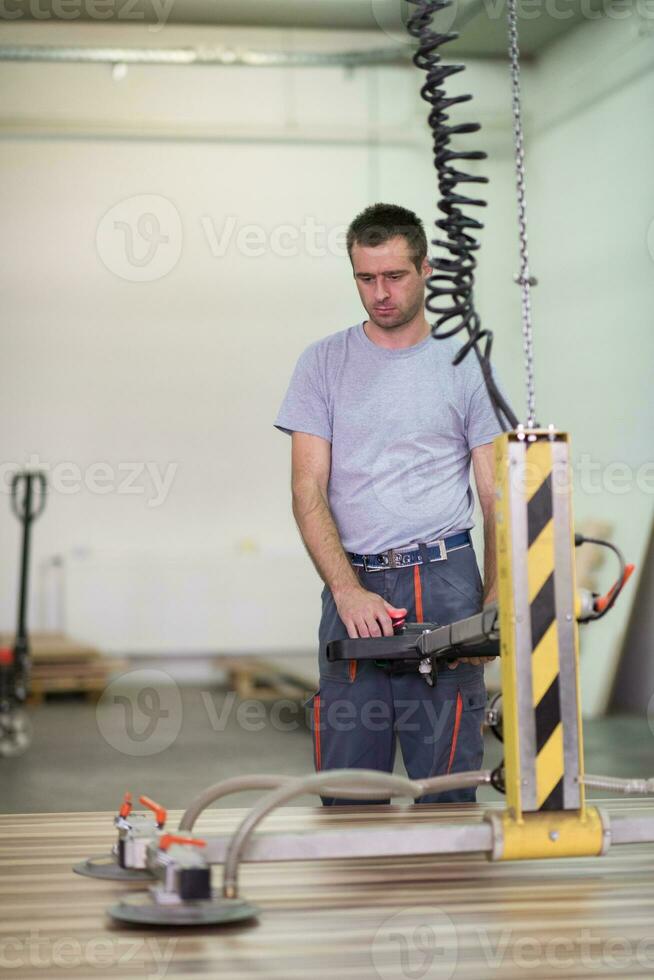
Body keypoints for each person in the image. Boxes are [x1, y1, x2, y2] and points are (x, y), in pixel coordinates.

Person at [275, 202, 502, 805]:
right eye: (365, 278)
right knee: (348, 788)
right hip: (356, 583)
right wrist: (347, 591)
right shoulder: (322, 363)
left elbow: (495, 495)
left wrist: (498, 599)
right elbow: (307, 490)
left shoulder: (466, 363)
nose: (380, 292)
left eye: (395, 276)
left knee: (448, 785)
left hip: (445, 577)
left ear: (426, 269)